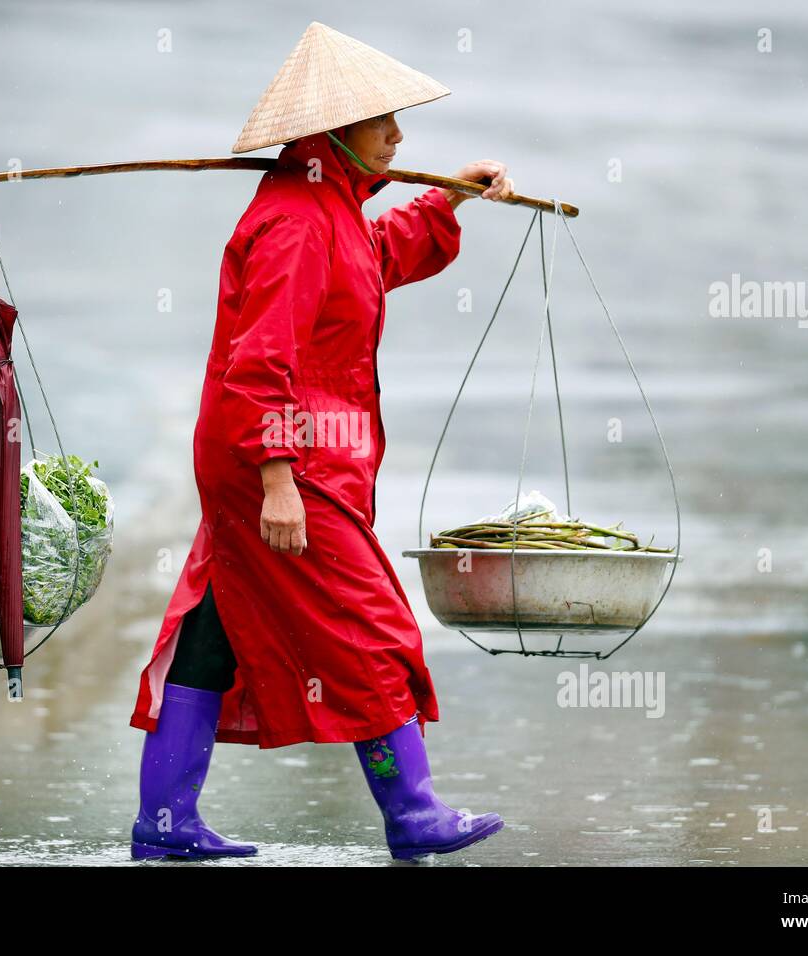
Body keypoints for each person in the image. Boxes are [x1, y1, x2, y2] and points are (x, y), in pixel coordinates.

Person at [128, 21, 514, 862]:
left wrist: (444, 197)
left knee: (214, 628)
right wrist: (277, 483)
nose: (401, 137)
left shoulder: (330, 210)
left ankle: (164, 824)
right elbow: (259, 360)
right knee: (371, 627)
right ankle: (412, 811)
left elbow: (370, 261)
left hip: (289, 459)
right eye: (385, 123)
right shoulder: (298, 222)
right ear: (333, 132)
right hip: (278, 461)